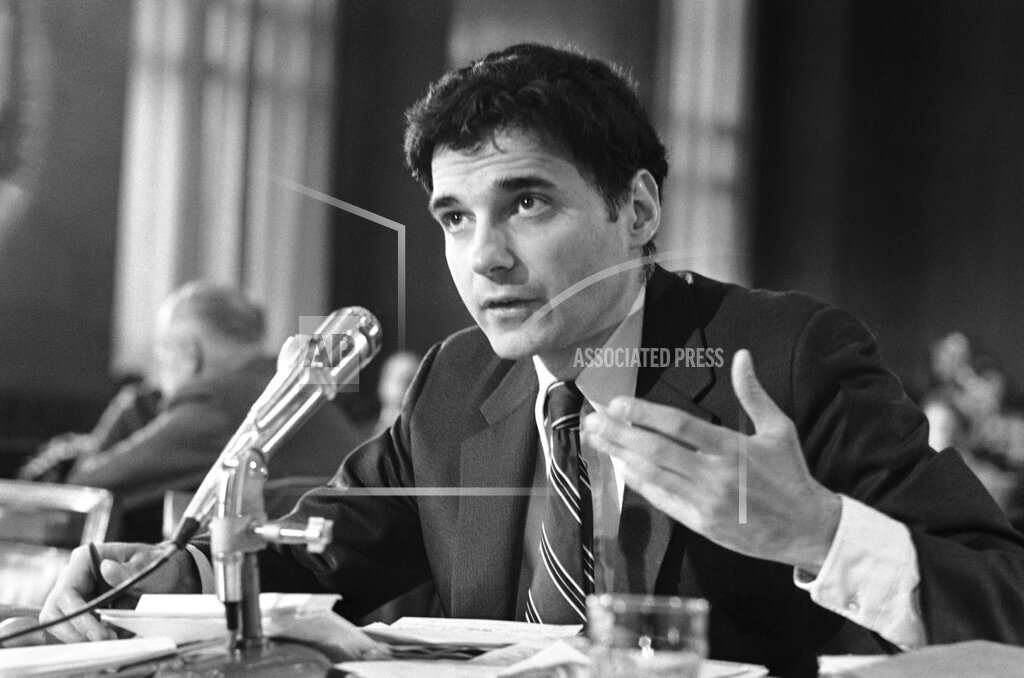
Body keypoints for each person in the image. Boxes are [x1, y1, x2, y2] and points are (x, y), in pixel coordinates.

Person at [41, 45, 1024, 677]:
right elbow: (320, 550)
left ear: (636, 210)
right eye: (455, 217)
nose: (486, 257)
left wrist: (816, 531)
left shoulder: (786, 356)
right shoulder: (456, 380)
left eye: (527, 203)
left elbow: (1003, 598)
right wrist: (143, 580)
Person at [26, 281, 370, 541]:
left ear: (188, 355)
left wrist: (131, 404)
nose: (157, 378)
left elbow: (87, 488)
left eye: (160, 360)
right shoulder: (283, 382)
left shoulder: (213, 402)